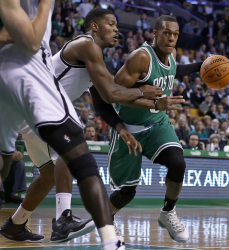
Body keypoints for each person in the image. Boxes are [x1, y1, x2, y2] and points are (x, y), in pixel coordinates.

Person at [0, 5, 159, 250]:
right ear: (94, 27)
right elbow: (111, 92)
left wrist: (121, 128)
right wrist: (148, 95)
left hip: (29, 111)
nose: (117, 30)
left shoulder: (93, 57)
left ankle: (15, 224)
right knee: (71, 147)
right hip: (37, 104)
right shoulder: (86, 45)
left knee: (49, 175)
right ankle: (63, 219)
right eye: (111, 24)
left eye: (117, 26)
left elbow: (103, 102)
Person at [97, 15, 205, 243]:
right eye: (166, 33)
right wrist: (155, 103)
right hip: (130, 128)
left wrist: (199, 66)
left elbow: (173, 70)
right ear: (154, 34)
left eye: (175, 34)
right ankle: (107, 220)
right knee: (127, 193)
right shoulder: (141, 58)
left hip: (157, 125)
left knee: (178, 163)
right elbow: (113, 95)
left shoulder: (171, 53)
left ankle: (168, 213)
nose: (171, 38)